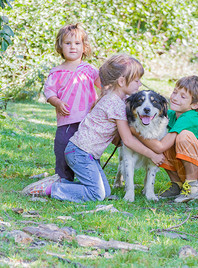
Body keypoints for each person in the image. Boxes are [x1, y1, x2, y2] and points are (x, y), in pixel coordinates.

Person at [24, 54, 165, 202]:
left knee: (105, 191)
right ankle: (51, 189)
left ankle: (60, 182)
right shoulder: (116, 104)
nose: (140, 84)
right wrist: (153, 155)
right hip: (80, 153)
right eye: (136, 80)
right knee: (96, 194)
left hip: (85, 153)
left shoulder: (114, 97)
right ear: (122, 81)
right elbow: (128, 141)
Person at [131, 75, 198, 203]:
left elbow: (160, 147)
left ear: (195, 104)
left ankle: (192, 187)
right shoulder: (171, 115)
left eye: (182, 96)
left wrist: (133, 130)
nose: (174, 98)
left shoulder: (189, 117)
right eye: (175, 92)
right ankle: (177, 185)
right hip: (197, 168)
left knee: (182, 136)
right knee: (163, 134)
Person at [44, 23, 101, 181]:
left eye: (77, 43)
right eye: (68, 43)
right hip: (66, 120)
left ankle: (90, 179)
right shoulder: (56, 72)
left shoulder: (90, 69)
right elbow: (49, 92)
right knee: (62, 148)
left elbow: (105, 86)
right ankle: (63, 179)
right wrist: (57, 102)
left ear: (84, 47)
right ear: (60, 46)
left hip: (88, 120)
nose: (73, 47)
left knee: (88, 150)